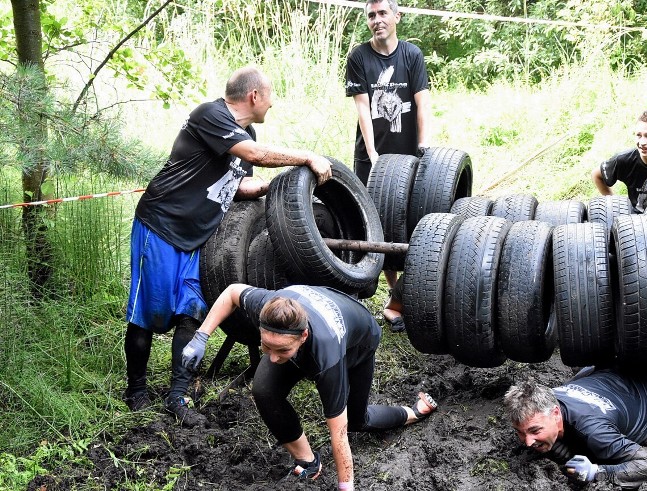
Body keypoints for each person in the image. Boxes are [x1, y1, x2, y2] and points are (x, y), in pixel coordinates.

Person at [124, 66, 333, 427]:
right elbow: (254, 155)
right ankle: (136, 391)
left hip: (197, 235)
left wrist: (279, 189)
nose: (272, 103)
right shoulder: (210, 115)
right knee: (148, 312)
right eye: (270, 95)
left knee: (192, 311)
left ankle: (178, 396)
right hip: (160, 226)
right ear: (254, 96)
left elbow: (240, 186)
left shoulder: (244, 131)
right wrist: (306, 156)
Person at [180, 283, 438, 488]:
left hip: (359, 341)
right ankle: (308, 460)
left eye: (280, 349)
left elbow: (339, 434)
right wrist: (201, 337)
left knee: (358, 420)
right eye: (265, 345)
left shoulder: (327, 358)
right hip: (313, 310)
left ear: (303, 336)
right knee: (265, 390)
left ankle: (412, 412)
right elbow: (233, 291)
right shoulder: (267, 307)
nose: (271, 357)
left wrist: (345, 486)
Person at [345, 0, 432, 319]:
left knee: (413, 222)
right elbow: (362, 108)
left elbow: (422, 104)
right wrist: (372, 155)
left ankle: (399, 299)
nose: (377, 20)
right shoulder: (359, 56)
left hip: (408, 156)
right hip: (373, 158)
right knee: (378, 225)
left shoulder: (412, 55)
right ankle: (393, 299)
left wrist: (423, 146)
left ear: (397, 16)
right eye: (371, 15)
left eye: (383, 13)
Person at [504, 367, 647, 489]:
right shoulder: (548, 396)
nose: (527, 442)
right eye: (520, 432)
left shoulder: (595, 432)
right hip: (610, 369)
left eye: (535, 431)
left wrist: (598, 472)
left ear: (556, 414)